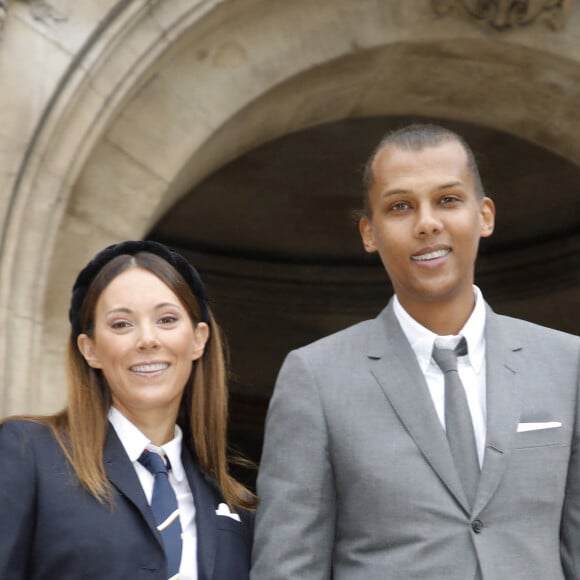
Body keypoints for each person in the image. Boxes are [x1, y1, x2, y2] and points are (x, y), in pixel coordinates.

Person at [251, 123, 580, 580]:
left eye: (447, 200)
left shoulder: (568, 364)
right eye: (400, 206)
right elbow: (289, 568)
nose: (427, 222)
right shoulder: (315, 377)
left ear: (484, 216)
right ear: (369, 233)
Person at [0, 240, 256, 580]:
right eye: (121, 324)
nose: (147, 339)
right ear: (89, 349)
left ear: (198, 339)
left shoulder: (235, 504)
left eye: (166, 319)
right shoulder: (27, 453)